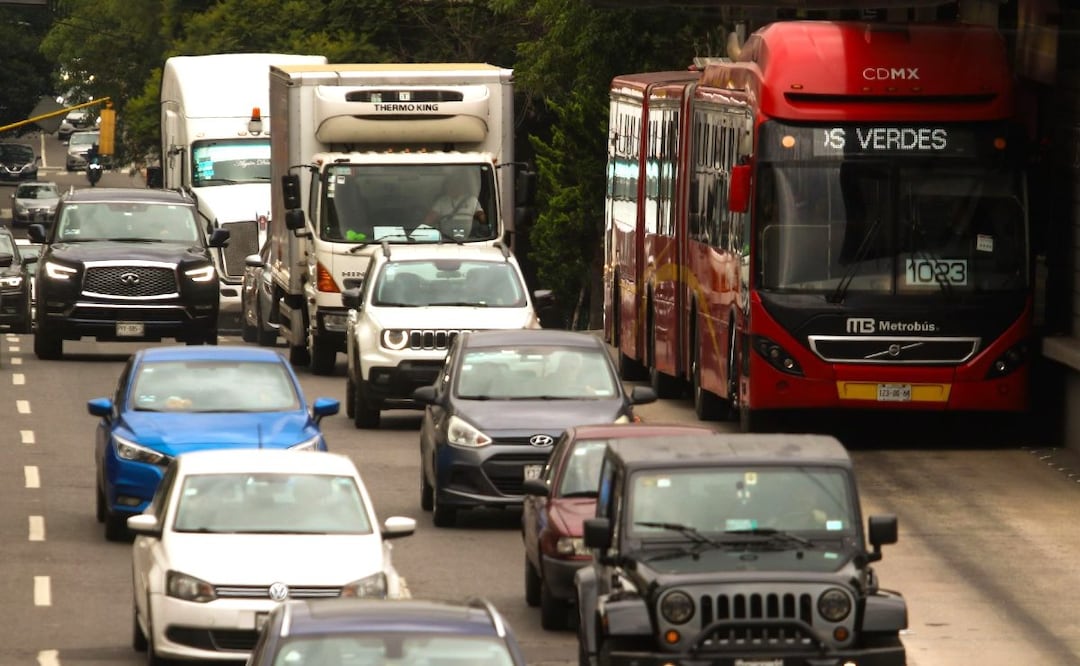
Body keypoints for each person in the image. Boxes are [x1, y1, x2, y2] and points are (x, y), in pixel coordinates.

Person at [423, 173, 487, 240]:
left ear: (462, 186)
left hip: (469, 238)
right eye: (450, 185)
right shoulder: (441, 201)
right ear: (446, 187)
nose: (453, 187)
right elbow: (429, 219)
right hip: (446, 237)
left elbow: (481, 217)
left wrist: (483, 224)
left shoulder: (472, 200)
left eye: (456, 184)